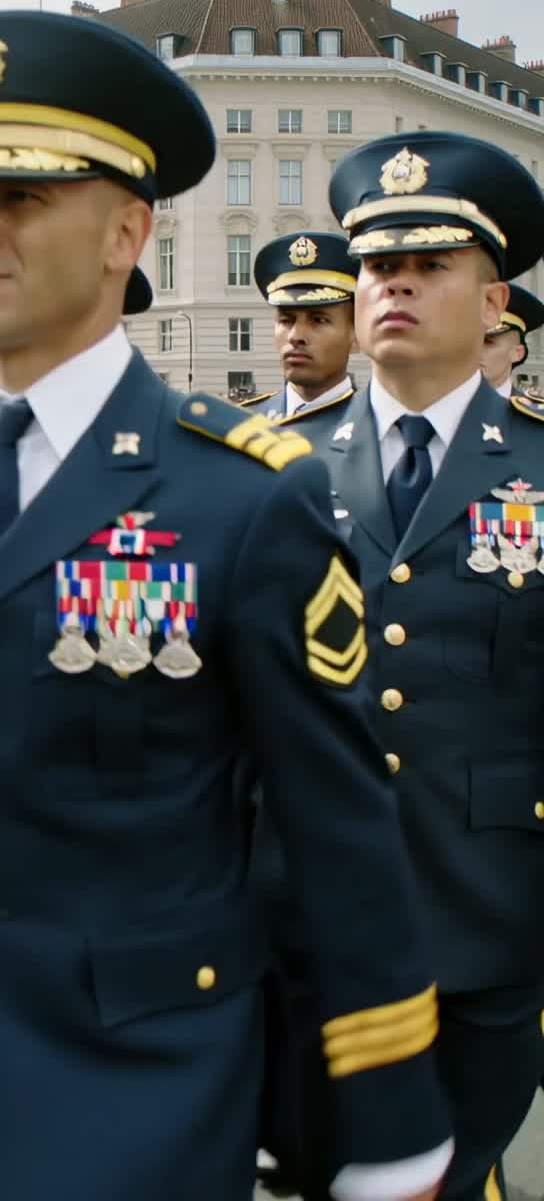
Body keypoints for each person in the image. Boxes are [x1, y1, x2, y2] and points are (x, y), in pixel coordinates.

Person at [0, 11, 450, 1201]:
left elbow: (335, 823)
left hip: (147, 1086)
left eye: (21, 196)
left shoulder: (244, 494)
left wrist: (389, 1113)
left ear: (127, 230)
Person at [260, 130, 544, 1201]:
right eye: (380, 264)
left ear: (494, 301)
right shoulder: (273, 468)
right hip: (301, 926)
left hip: (491, 920)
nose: (397, 285)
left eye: (431, 265)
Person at [243, 232, 357, 422]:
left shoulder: (381, 429)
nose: (295, 336)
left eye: (318, 320)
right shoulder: (240, 426)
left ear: (356, 336)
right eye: (286, 320)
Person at [480, 283, 544, 398]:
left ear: (517, 353)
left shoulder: (530, 410)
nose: (473, 350)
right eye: (468, 341)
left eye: (487, 342)